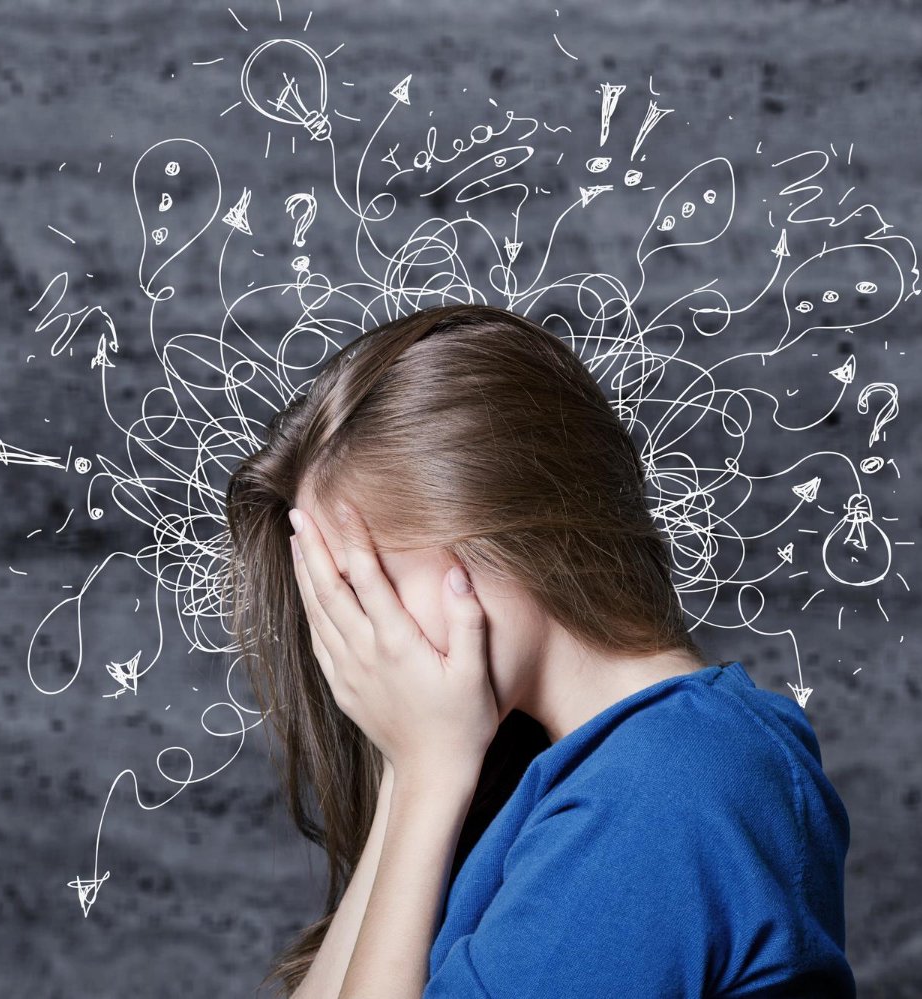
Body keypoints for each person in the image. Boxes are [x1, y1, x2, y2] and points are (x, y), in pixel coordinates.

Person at [222, 304, 855, 998]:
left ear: (489, 528)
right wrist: (413, 770)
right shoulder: (601, 771)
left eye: (364, 588)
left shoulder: (664, 790)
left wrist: (429, 771)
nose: (354, 642)